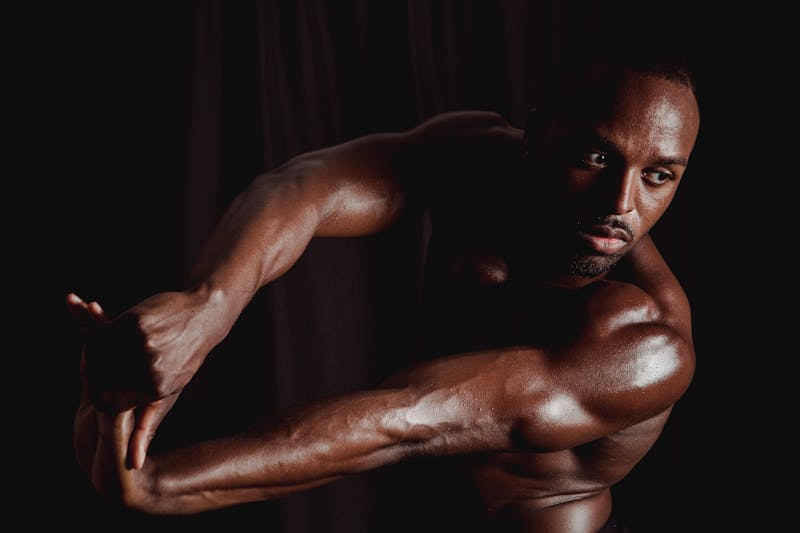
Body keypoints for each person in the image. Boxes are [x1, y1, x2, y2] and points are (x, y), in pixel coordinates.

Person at [68, 39, 701, 532]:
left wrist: (157, 484)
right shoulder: (481, 158)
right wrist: (207, 309)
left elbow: (408, 417)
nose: (621, 202)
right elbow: (306, 187)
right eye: (596, 157)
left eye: (659, 176)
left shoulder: (650, 344)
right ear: (537, 132)